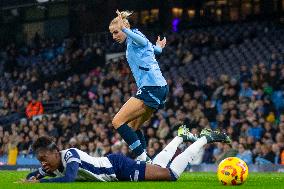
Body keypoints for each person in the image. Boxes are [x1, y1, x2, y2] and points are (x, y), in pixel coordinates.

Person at [21, 128, 231, 183]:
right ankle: (180, 137)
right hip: (116, 168)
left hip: (119, 167)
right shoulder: (54, 163)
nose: (42, 163)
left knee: (171, 175)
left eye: (43, 159)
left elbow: (68, 179)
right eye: (40, 160)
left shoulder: (70, 156)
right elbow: (38, 174)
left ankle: (205, 138)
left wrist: (39, 182)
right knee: (157, 168)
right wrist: (33, 177)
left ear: (54, 152)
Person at [109, 10, 169, 162]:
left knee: (117, 121)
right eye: (113, 33)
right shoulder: (133, 39)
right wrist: (159, 48)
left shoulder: (134, 35)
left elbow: (142, 42)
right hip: (158, 87)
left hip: (151, 87)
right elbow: (152, 49)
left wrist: (125, 30)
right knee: (133, 127)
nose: (114, 36)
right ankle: (145, 164)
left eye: (116, 32)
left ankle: (144, 160)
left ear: (125, 27)